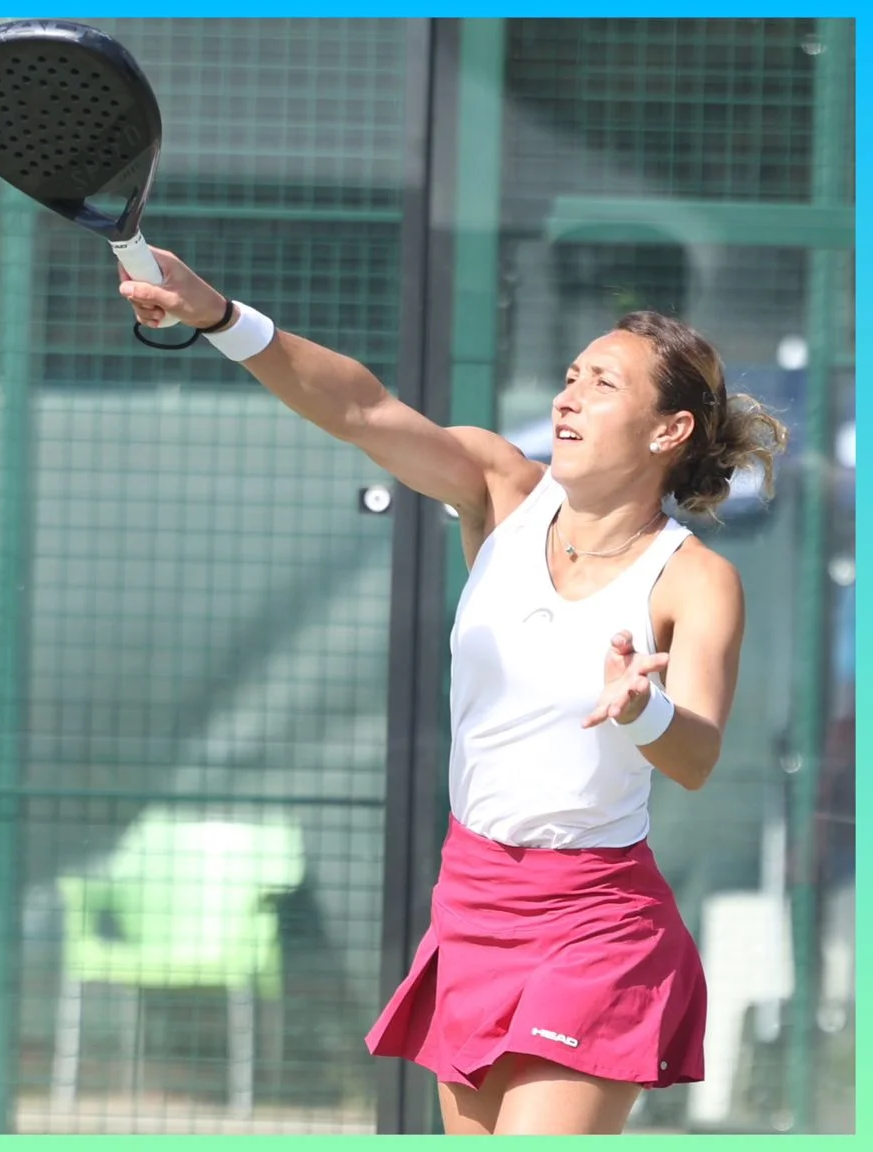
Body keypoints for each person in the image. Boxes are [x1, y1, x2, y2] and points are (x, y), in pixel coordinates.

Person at [118, 250, 786, 1135]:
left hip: (596, 920)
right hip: (471, 899)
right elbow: (358, 407)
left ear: (669, 432)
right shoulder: (500, 487)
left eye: (603, 385)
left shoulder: (695, 581)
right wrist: (215, 315)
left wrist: (642, 709)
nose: (568, 398)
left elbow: (696, 755)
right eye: (570, 377)